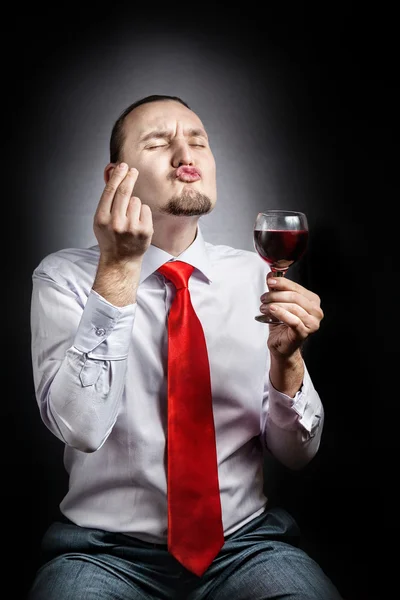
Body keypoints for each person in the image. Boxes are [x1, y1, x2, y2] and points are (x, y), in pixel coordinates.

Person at [28, 94, 342, 600]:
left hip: (246, 546)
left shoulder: (257, 277)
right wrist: (116, 271)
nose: (184, 153)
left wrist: (288, 362)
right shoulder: (63, 278)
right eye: (159, 142)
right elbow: (79, 429)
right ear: (116, 177)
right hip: (102, 554)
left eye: (198, 140)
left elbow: (298, 455)